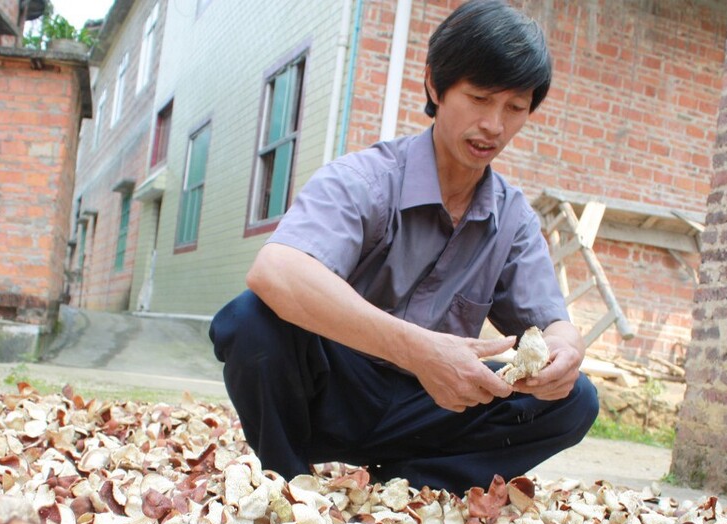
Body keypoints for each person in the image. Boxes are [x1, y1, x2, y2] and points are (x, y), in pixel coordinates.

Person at [209, 0, 598, 494]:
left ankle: (411, 488)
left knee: (577, 398)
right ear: (435, 84)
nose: (494, 126)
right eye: (479, 98)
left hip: (435, 411)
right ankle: (288, 485)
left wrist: (566, 349)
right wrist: (418, 350)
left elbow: (551, 320)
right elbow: (276, 269)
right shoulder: (366, 180)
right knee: (251, 320)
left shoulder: (513, 219)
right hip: (334, 393)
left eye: (515, 108)